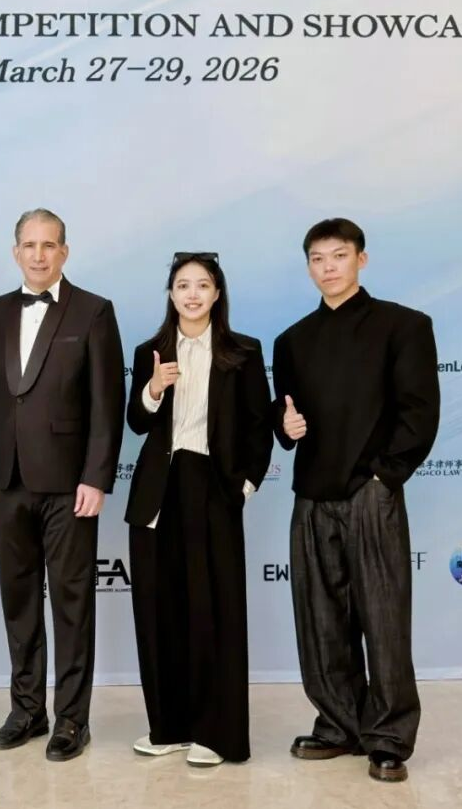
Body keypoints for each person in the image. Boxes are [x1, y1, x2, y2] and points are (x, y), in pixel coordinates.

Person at [273, 218, 440, 783]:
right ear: (308, 267)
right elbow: (284, 415)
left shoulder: (404, 325)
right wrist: (284, 426)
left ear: (361, 260)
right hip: (311, 494)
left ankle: (389, 737)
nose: (328, 268)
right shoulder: (292, 341)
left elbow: (419, 411)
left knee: (383, 618)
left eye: (339, 256)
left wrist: (383, 478)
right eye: (317, 258)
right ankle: (338, 724)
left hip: (372, 492)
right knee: (320, 620)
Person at [0, 208, 125, 762]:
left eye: (49, 245)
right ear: (16, 252)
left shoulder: (94, 310)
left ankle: (72, 719)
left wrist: (96, 477)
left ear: (65, 251)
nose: (39, 255)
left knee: (71, 602)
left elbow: (108, 403)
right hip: (5, 480)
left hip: (69, 485)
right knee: (18, 601)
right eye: (30, 245)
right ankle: (27, 710)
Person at [124, 252, 273, 767]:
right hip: (157, 493)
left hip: (213, 486)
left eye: (202, 285)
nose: (192, 294)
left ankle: (217, 733)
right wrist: (153, 389)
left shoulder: (243, 352)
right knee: (158, 612)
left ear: (217, 293)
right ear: (171, 293)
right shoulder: (150, 351)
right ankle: (168, 727)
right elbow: (136, 422)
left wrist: (244, 487)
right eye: (183, 285)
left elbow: (259, 427)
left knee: (216, 612)